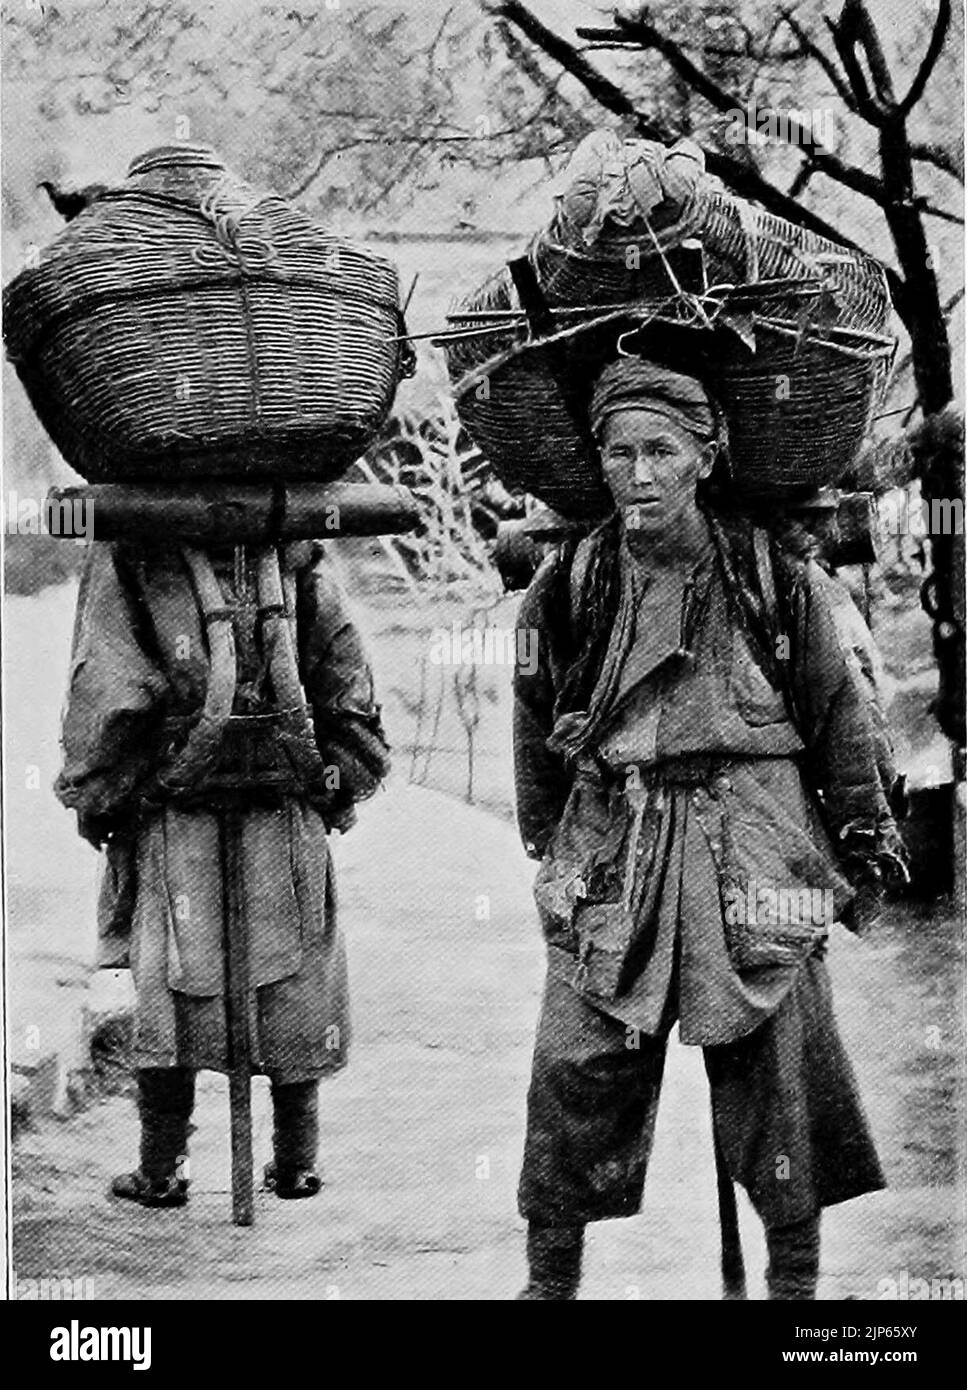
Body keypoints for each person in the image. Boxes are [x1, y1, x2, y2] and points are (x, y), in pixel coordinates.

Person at [512, 357, 907, 1299]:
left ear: (704, 456)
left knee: (780, 1078)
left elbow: (839, 714)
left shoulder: (776, 576)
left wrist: (861, 836)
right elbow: (534, 719)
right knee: (575, 1064)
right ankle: (548, 1284)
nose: (637, 474)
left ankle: (796, 1292)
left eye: (660, 451)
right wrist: (549, 845)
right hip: (620, 838)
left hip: (756, 840)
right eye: (618, 453)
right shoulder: (572, 582)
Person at [56, 537, 390, 1207]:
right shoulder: (295, 547)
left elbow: (109, 687)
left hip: (178, 810)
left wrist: (103, 792)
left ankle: (161, 1167)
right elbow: (345, 675)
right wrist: (338, 775)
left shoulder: (134, 552)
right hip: (282, 801)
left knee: (169, 978)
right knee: (298, 974)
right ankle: (296, 1160)